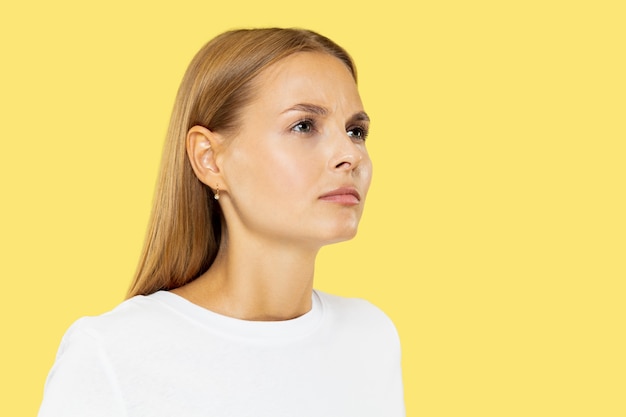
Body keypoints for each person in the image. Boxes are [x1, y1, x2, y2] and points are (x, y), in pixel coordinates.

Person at [38, 28, 405, 417]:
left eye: (356, 131)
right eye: (304, 126)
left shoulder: (370, 338)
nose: (349, 154)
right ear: (210, 159)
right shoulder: (113, 355)